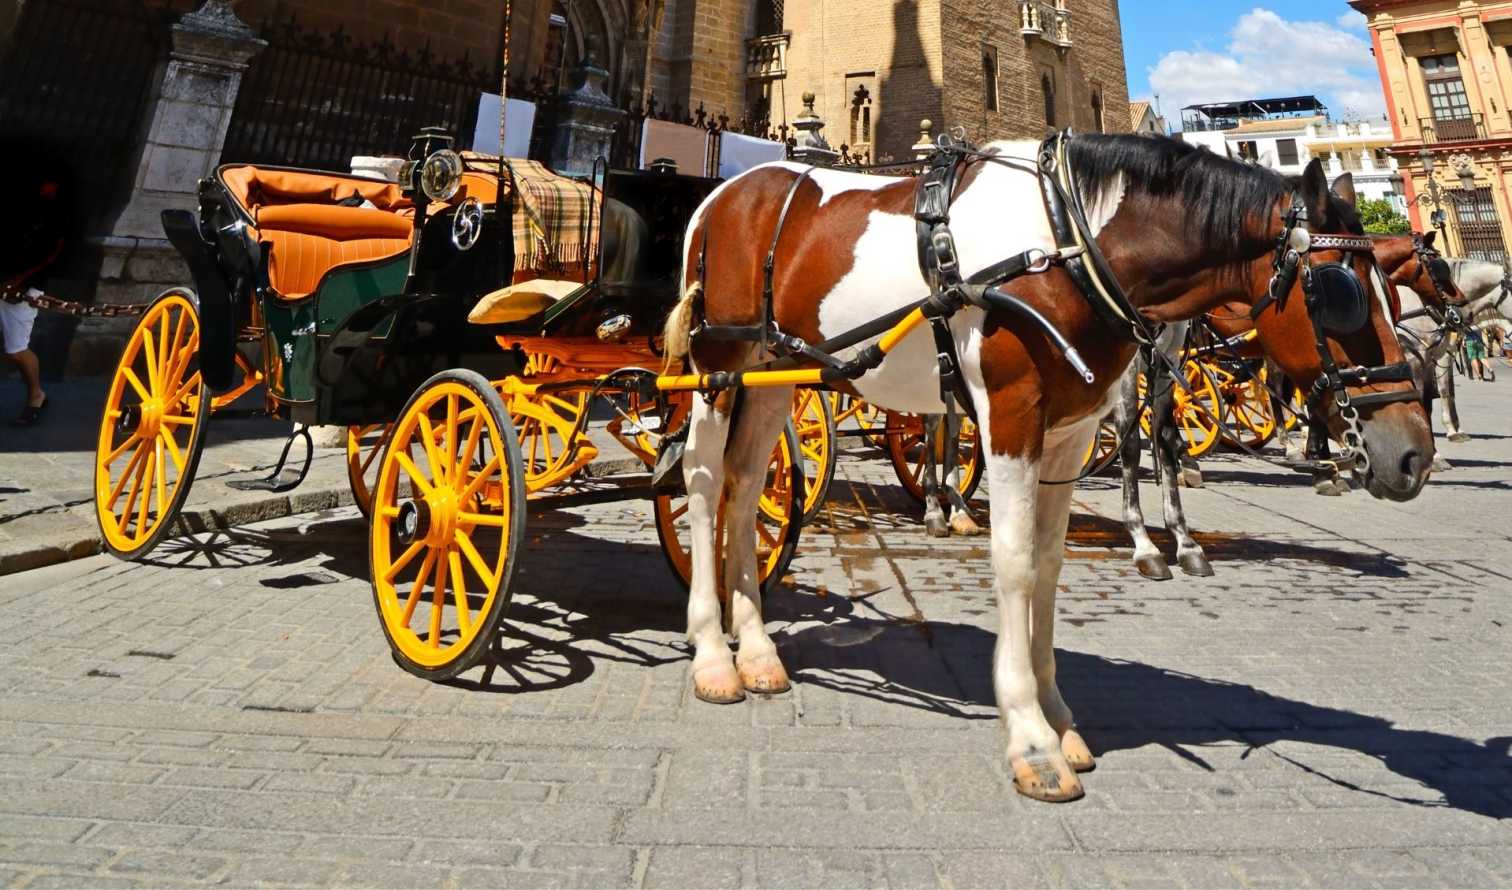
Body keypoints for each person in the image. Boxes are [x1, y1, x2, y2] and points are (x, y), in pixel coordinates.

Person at [1, 139, 75, 425]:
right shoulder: (20, 203)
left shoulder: (56, 214)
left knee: (16, 349)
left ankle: (36, 395)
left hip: (21, 287)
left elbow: (52, 254)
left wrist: (19, 281)